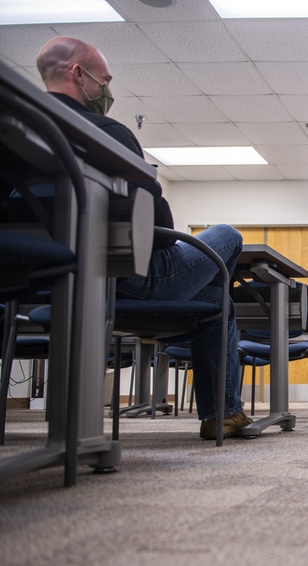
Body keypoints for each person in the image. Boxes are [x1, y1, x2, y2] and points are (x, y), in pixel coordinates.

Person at [35, 37, 250, 440]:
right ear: (78, 74)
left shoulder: (19, 136)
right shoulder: (105, 132)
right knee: (226, 238)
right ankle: (221, 412)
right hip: (129, 277)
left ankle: (223, 401)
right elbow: (160, 225)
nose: (105, 91)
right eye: (103, 80)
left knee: (218, 302)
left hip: (49, 278)